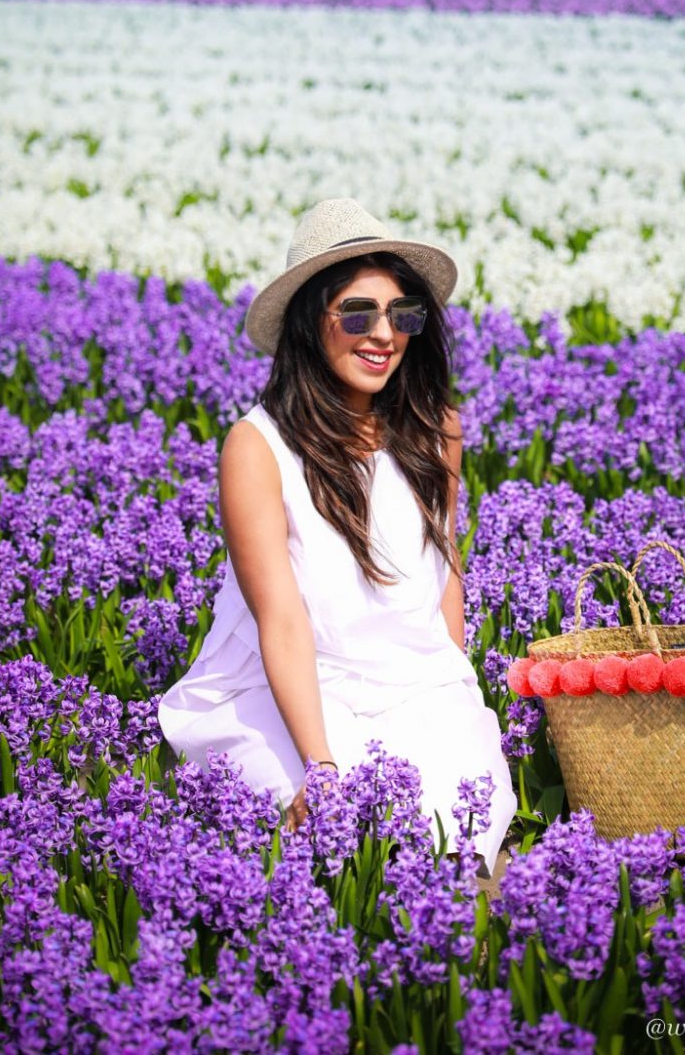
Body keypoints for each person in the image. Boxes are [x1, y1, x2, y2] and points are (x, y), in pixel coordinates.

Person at [157, 197, 517, 876]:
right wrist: (318, 763)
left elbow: (446, 572)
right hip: (293, 690)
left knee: (455, 825)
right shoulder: (256, 446)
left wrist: (457, 691)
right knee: (337, 833)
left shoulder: (435, 426)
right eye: (357, 312)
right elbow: (283, 620)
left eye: (402, 314)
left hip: (416, 684)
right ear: (309, 322)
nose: (383, 333)